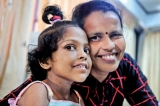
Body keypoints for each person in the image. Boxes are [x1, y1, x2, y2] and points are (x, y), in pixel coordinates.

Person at [0, 0, 159, 106]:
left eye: (115, 34)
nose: (110, 45)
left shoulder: (125, 65)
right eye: (95, 37)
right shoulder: (62, 75)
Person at [3, 5, 92, 106]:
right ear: (45, 61)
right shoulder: (39, 90)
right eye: (70, 47)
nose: (84, 55)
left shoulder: (77, 98)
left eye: (86, 50)